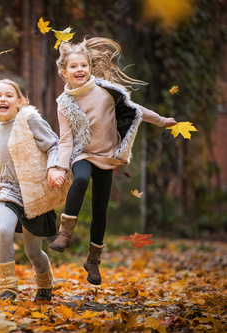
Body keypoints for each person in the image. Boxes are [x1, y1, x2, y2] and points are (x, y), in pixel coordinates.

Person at [48, 37, 177, 285]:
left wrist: (162, 120)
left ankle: (93, 261)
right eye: (73, 67)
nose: (80, 70)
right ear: (63, 72)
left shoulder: (107, 91)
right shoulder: (64, 104)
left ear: (89, 67)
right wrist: (61, 167)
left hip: (106, 157)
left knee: (100, 210)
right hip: (82, 154)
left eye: (83, 65)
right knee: (82, 178)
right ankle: (65, 233)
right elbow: (65, 140)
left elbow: (136, 109)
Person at [0, 79, 64, 302]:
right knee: (3, 231)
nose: (3, 99)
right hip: (8, 192)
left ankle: (45, 285)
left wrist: (52, 169)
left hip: (33, 193)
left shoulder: (29, 121)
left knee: (32, 252)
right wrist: (2, 184)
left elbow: (53, 145)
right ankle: (8, 287)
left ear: (19, 101)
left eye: (9, 95)